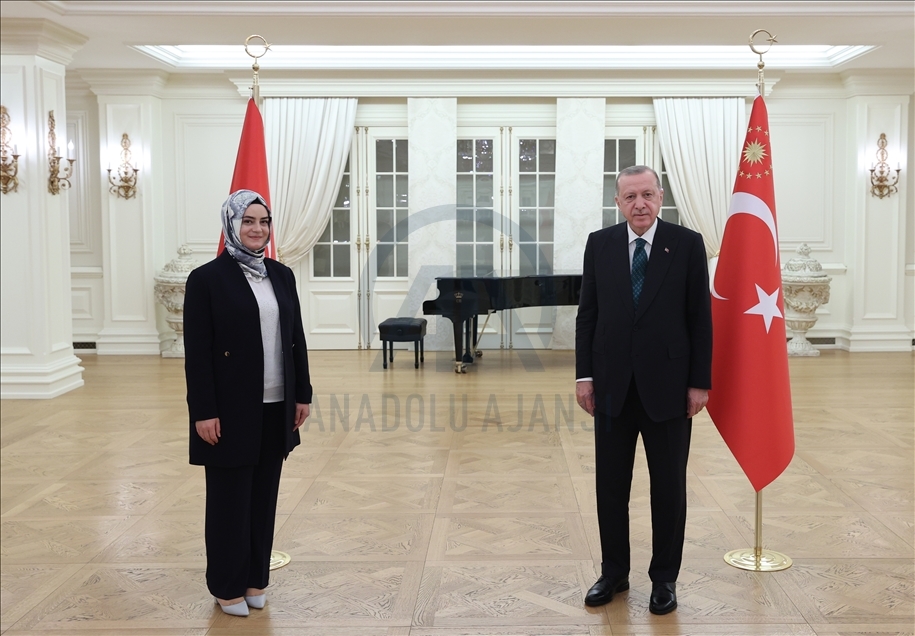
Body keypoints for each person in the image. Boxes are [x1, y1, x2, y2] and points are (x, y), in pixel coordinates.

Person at [575, 165, 712, 615]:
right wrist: (584, 376)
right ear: (618, 202)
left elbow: (700, 318)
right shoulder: (599, 244)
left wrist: (699, 382)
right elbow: (588, 315)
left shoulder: (687, 244)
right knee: (610, 487)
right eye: (630, 197)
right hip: (610, 388)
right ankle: (613, 572)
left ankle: (664, 579)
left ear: (660, 197)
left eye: (647, 195)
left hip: (669, 390)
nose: (640, 204)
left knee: (669, 488)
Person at [184, 189, 312, 617]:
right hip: (229, 408)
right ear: (231, 224)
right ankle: (226, 586)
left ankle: (256, 579)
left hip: (277, 405)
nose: (257, 229)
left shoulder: (281, 274)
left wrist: (302, 394)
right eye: (248, 221)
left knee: (263, 498)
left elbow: (295, 339)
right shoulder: (206, 279)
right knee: (229, 502)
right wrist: (204, 411)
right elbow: (198, 353)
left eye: (264, 221)